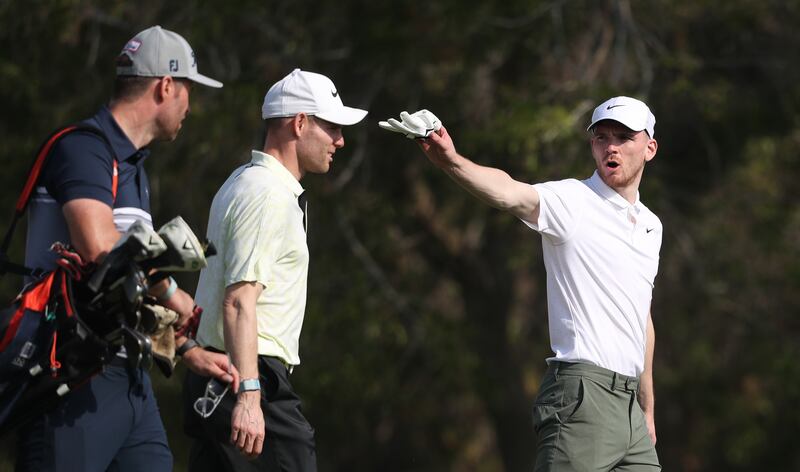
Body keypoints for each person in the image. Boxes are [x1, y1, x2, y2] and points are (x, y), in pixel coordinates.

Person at [383, 96, 661, 471]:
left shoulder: (650, 225)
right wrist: (451, 160)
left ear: (649, 148)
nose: (610, 146)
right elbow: (509, 192)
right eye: (602, 137)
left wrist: (647, 407)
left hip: (630, 408)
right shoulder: (574, 200)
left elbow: (640, 315)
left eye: (624, 137)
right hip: (583, 394)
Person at [16, 25, 239, 471]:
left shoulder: (133, 166)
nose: (189, 105)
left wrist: (187, 349)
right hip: (71, 381)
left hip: (129, 379)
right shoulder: (84, 149)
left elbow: (120, 283)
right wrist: (174, 292)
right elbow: (100, 247)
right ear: (166, 86)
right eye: (188, 90)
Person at [183, 68, 367, 471]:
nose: (340, 140)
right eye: (332, 127)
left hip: (224, 373)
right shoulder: (266, 194)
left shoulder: (243, 181)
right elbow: (238, 301)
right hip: (249, 376)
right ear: (300, 123)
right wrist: (249, 397)